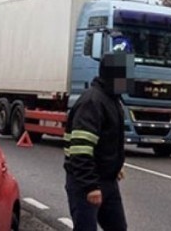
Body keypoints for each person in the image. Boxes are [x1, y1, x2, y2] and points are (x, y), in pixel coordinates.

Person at [64, 51, 134, 231]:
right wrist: (90, 186)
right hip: (86, 183)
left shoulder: (112, 100)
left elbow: (107, 140)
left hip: (108, 181)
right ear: (113, 74)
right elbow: (79, 149)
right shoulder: (93, 101)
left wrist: (114, 166)